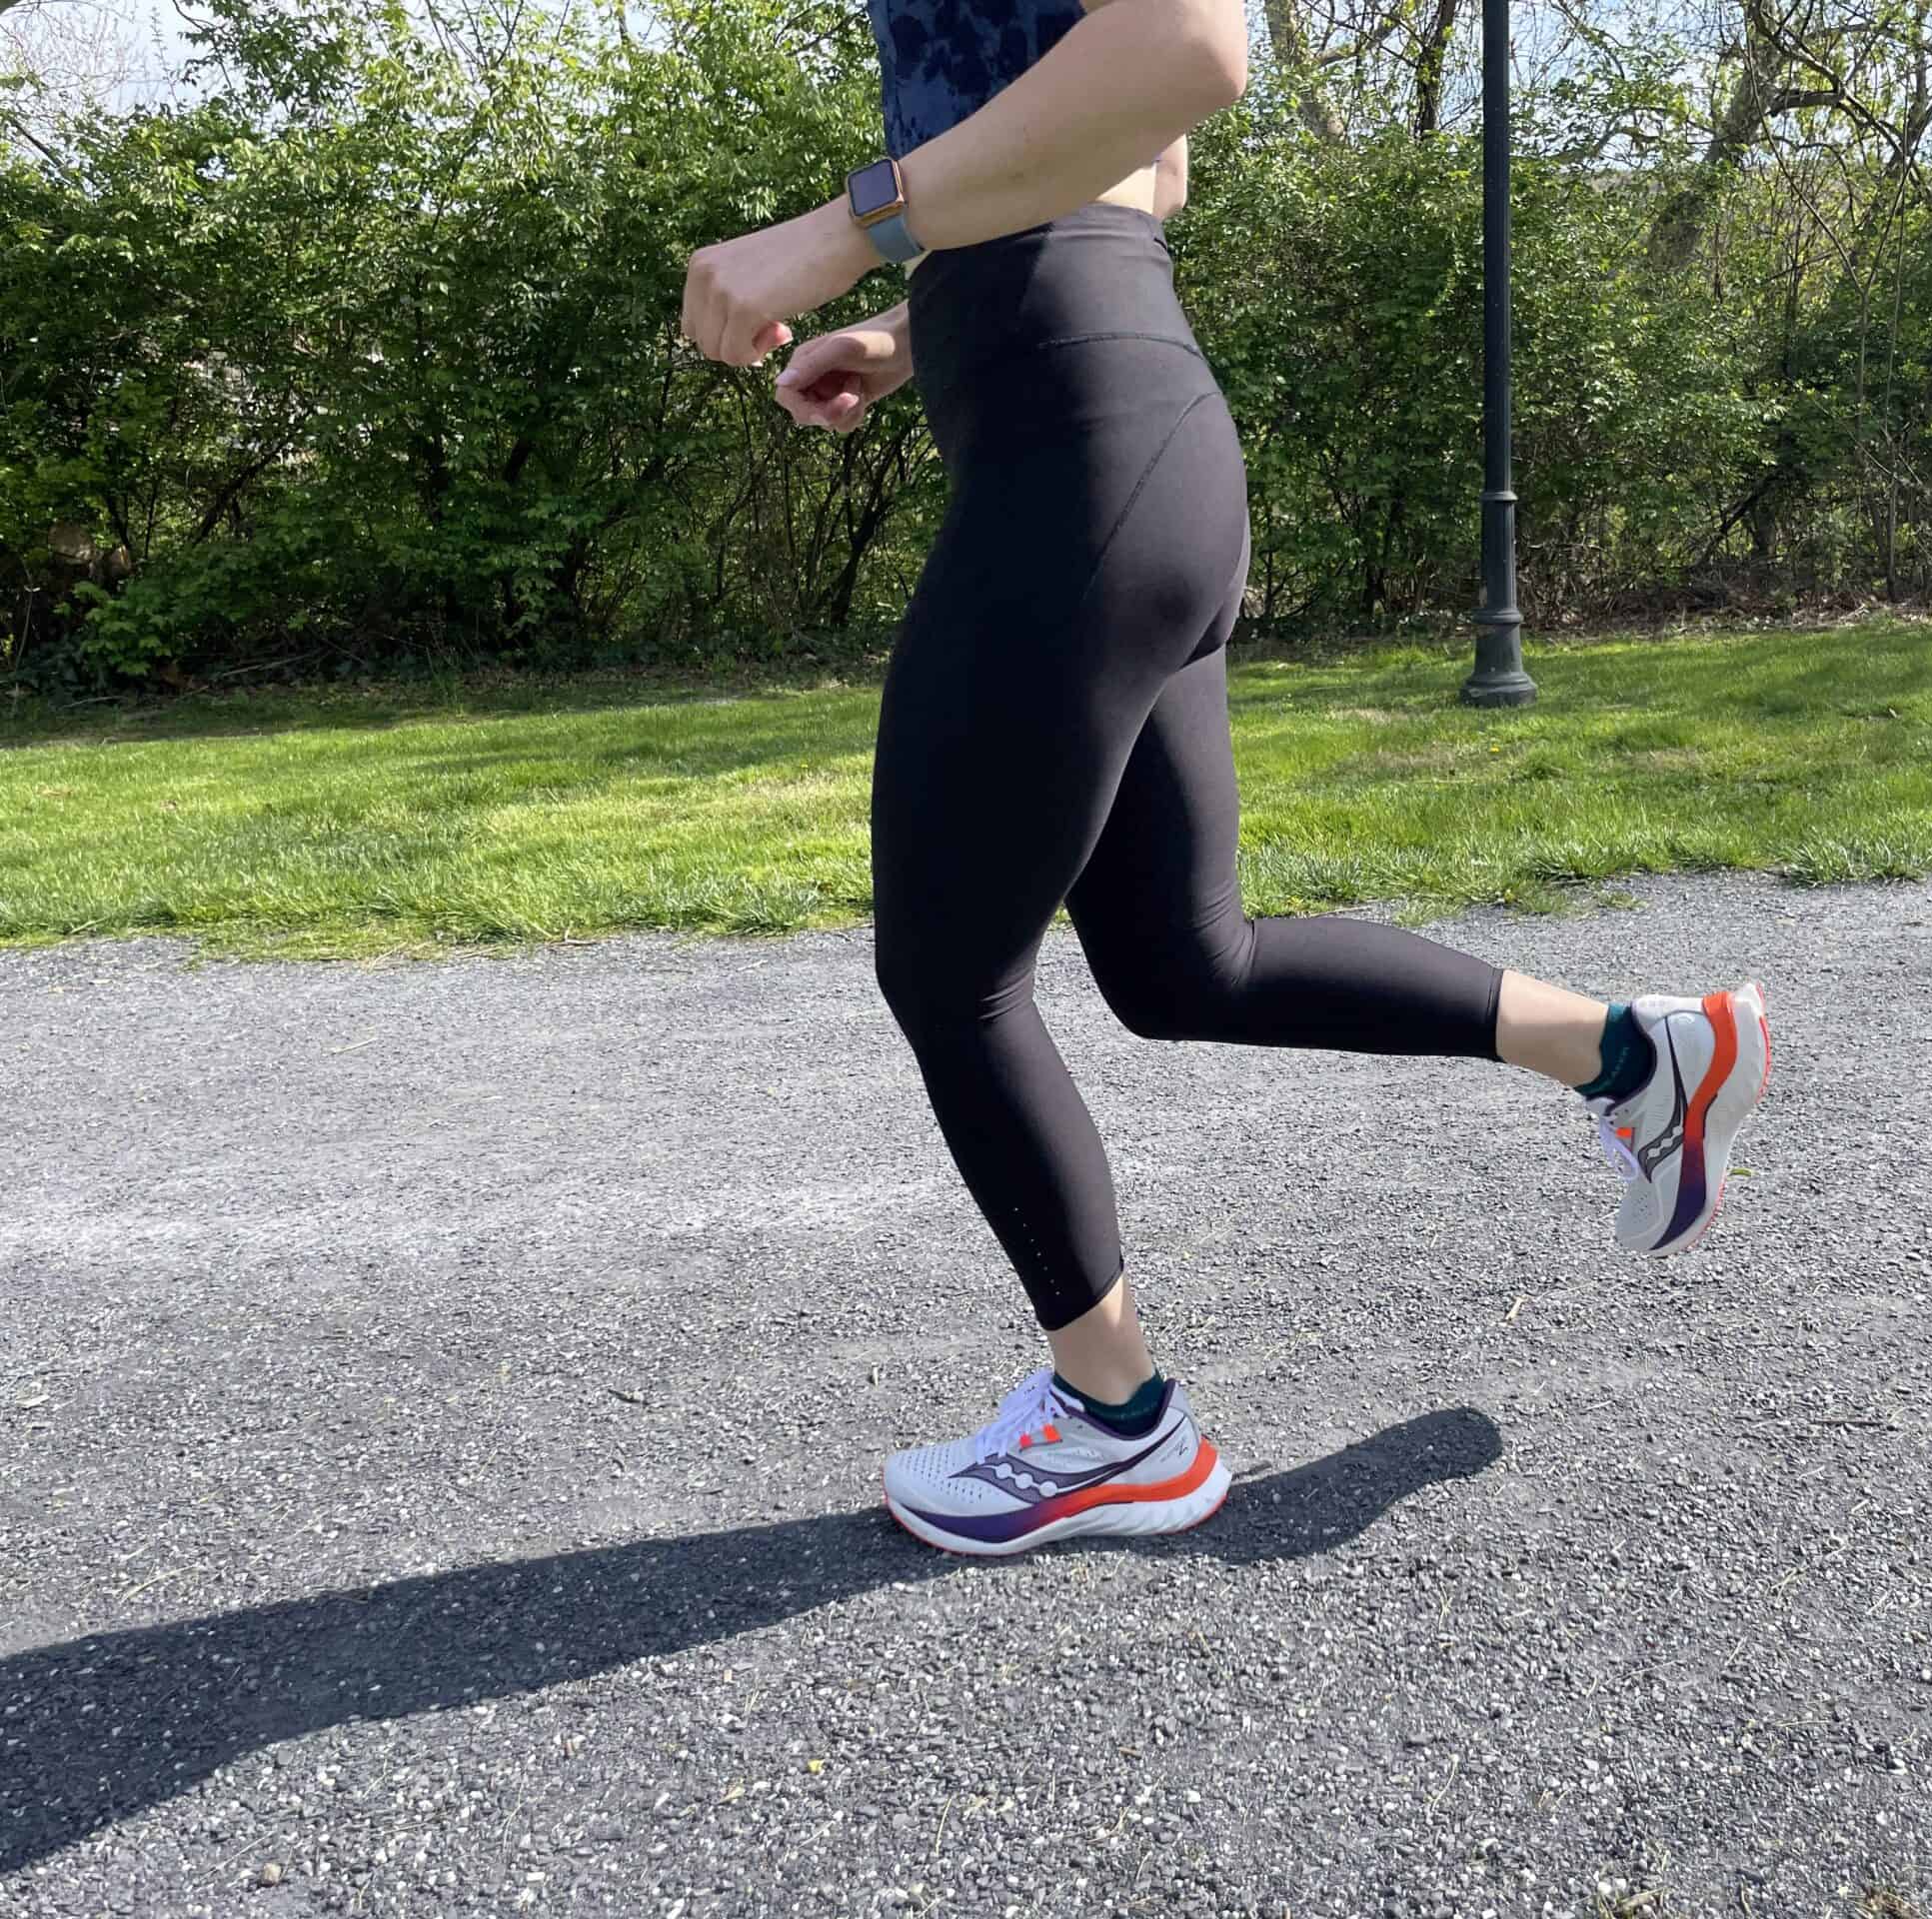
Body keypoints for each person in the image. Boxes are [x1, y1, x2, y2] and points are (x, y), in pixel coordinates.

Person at [678, 0, 1772, 1557]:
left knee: (951, 973)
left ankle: (1118, 1426)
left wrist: (846, 230)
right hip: (1110, 420)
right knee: (1186, 961)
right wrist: (918, 331)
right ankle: (1634, 1056)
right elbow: (1154, 163)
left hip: (1087, 443)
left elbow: (1190, 48)